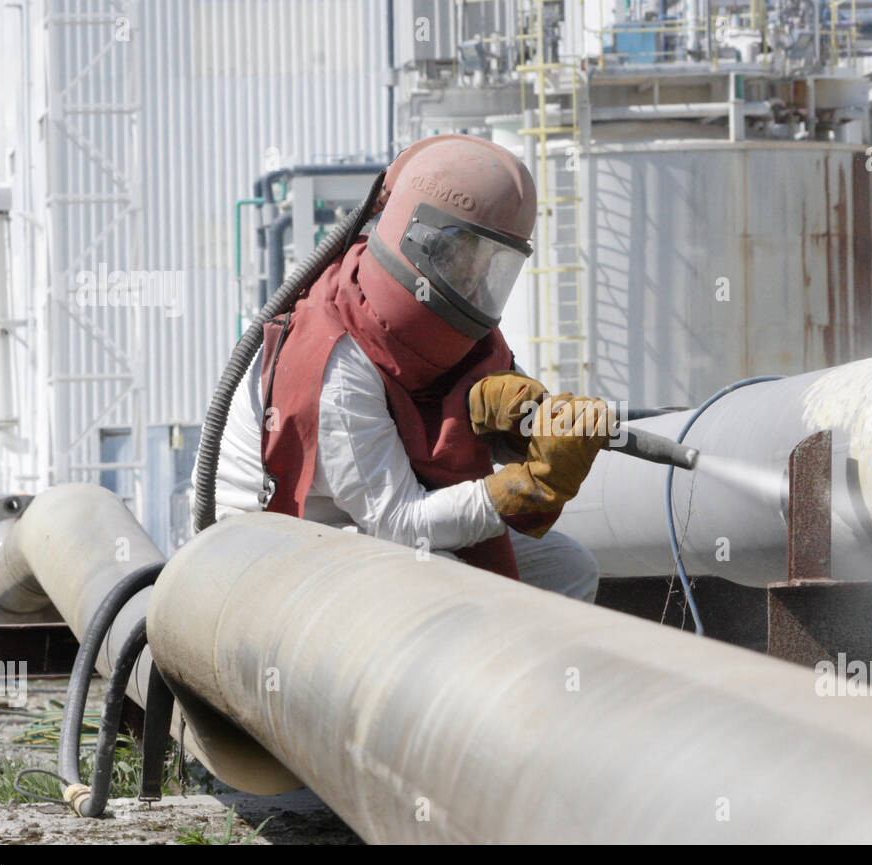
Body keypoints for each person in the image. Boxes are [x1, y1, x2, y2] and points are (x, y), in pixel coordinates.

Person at [205, 133, 608, 601]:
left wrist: (524, 426)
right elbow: (398, 522)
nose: (474, 277)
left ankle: (537, 676)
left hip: (352, 522)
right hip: (269, 547)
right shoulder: (336, 357)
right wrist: (529, 486)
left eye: (491, 262)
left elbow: (453, 425)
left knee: (565, 566)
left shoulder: (449, 317)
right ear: (418, 241)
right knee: (443, 578)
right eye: (462, 255)